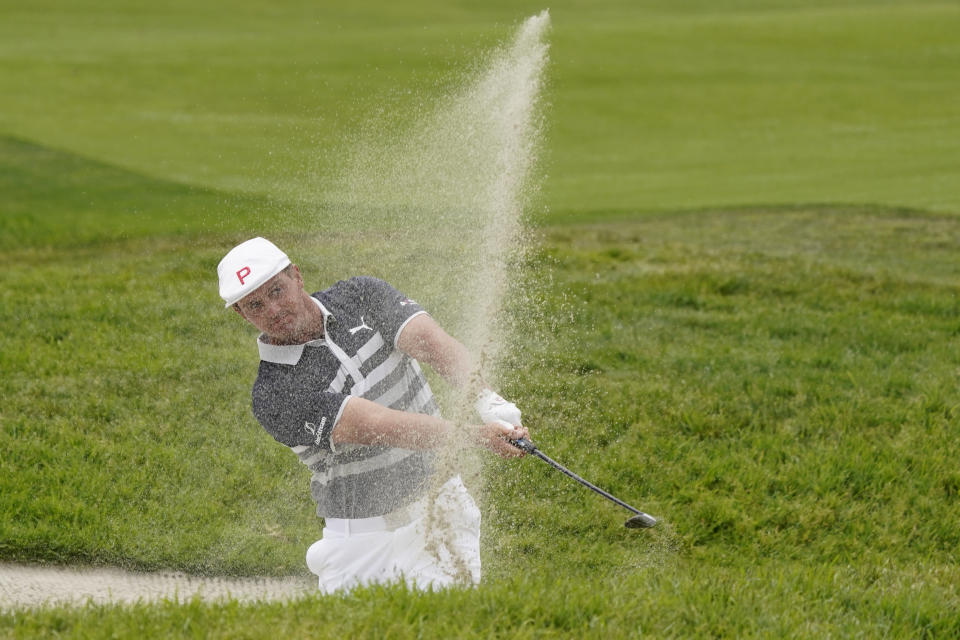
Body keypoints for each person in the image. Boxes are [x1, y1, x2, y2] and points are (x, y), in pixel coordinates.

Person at [217, 237, 529, 592]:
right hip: (357, 544)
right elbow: (379, 426)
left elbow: (430, 342)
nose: (272, 310)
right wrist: (476, 436)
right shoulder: (274, 393)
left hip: (440, 512)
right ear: (242, 314)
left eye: (276, 291)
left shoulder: (360, 296)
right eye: (255, 305)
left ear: (296, 276)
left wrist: (489, 402)